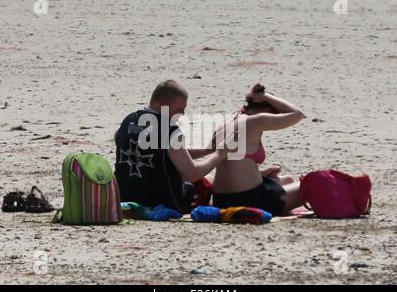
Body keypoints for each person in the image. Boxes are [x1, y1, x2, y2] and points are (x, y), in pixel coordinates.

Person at [114, 80, 227, 213]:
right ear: (163, 106)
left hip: (125, 199)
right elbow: (192, 173)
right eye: (179, 110)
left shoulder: (127, 122)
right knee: (208, 180)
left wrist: (207, 151)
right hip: (162, 203)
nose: (183, 114)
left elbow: (164, 153)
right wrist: (219, 154)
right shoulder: (169, 130)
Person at [211, 83, 307, 216]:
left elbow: (231, 166)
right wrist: (265, 96)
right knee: (307, 186)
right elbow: (297, 114)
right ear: (268, 111)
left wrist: (261, 173)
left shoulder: (225, 124)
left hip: (220, 199)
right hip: (252, 200)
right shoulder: (257, 120)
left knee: (288, 179)